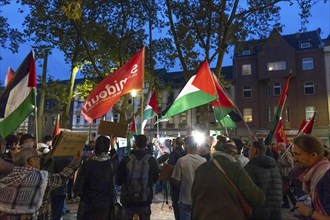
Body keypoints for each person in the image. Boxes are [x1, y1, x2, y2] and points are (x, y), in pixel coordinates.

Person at [0, 147, 82, 219]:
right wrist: (76, 160)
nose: (39, 159)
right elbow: (62, 177)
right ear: (31, 161)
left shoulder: (5, 180)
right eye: (37, 157)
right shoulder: (41, 178)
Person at [191, 142, 265, 220]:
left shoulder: (201, 168)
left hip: (202, 215)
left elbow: (193, 194)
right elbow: (257, 197)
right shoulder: (235, 168)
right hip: (229, 215)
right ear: (232, 154)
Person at [117, 134, 160, 220]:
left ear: (134, 143)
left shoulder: (126, 160)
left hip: (127, 199)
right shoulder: (151, 160)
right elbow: (155, 178)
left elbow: (119, 179)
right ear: (146, 144)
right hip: (145, 199)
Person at [74, 135, 115, 220]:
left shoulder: (87, 164)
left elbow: (77, 187)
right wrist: (113, 147)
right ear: (107, 148)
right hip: (105, 205)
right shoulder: (111, 164)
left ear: (95, 147)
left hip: (88, 204)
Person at [292, 135, 330, 219]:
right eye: (293, 154)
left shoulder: (325, 178)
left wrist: (309, 212)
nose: (294, 159)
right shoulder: (314, 174)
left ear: (313, 155)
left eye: (297, 154)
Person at [245, 141, 283, 220]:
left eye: (250, 149)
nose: (248, 152)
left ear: (254, 151)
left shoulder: (251, 167)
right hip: (276, 208)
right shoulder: (274, 166)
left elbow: (248, 191)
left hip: (259, 211)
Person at [171, 135, 206, 220]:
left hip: (185, 199)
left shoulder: (182, 161)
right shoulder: (204, 161)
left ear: (187, 146)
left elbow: (176, 180)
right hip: (199, 199)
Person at [167, 136, 186, 220]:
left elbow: (171, 166)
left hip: (175, 180)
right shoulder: (185, 152)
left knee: (176, 202)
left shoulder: (174, 153)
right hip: (184, 181)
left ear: (175, 144)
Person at [277, 142, 294, 209]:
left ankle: (294, 203)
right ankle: (286, 203)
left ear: (283, 147)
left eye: (280, 146)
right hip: (281, 173)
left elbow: (290, 164)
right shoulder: (280, 153)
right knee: (283, 189)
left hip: (286, 173)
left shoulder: (287, 153)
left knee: (287, 189)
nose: (279, 148)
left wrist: (281, 162)